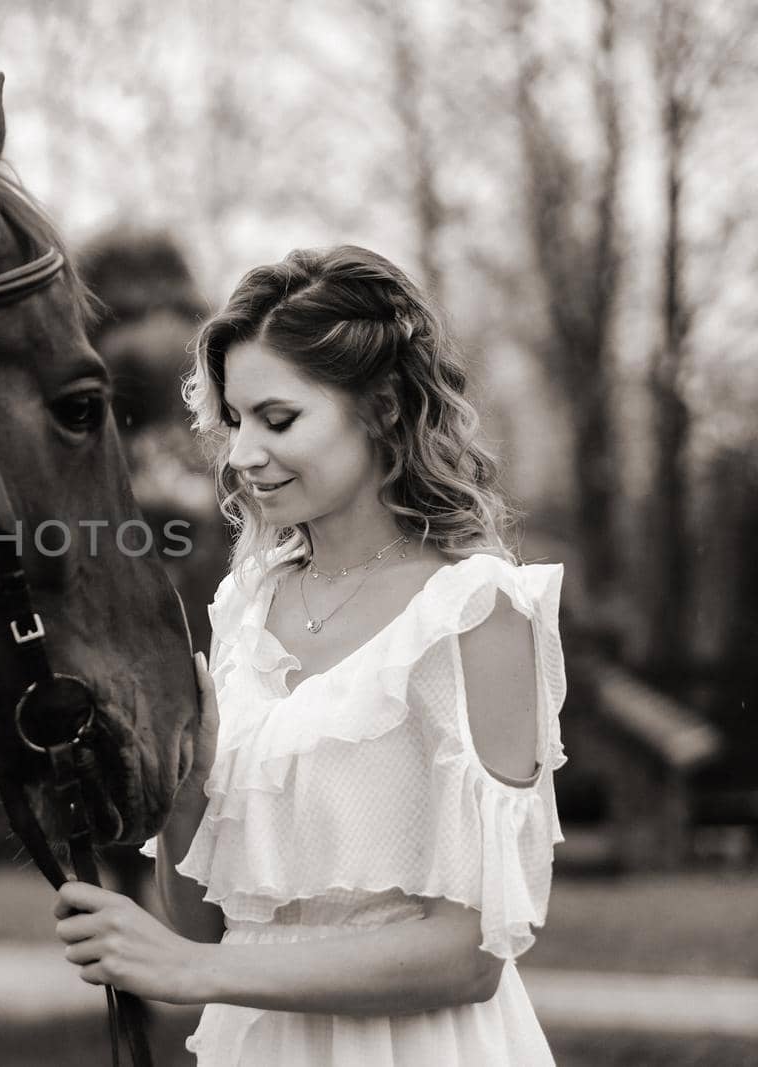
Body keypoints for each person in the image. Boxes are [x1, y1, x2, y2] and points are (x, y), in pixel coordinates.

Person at [52, 245, 566, 1065]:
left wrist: (192, 965)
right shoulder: (245, 606)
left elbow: (469, 956)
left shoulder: (476, 610)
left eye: (278, 418)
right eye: (236, 419)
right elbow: (207, 926)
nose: (245, 453)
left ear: (386, 407)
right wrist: (186, 793)